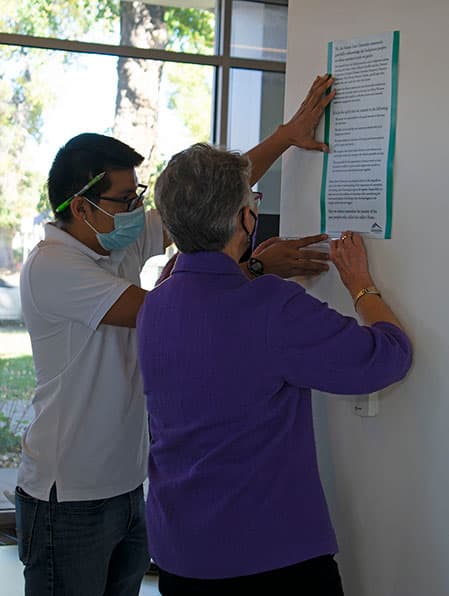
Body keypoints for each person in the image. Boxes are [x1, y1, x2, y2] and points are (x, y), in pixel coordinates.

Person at [15, 74, 336, 595]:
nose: (138, 209)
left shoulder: (111, 238)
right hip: (68, 494)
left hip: (125, 484)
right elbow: (167, 313)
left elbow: (204, 199)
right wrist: (255, 268)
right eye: (126, 198)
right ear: (81, 207)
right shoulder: (52, 266)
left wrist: (284, 136)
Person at [136, 143, 413, 595]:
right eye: (253, 201)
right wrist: (361, 286)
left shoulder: (156, 304)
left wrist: (256, 266)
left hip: (181, 557)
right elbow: (389, 356)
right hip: (272, 563)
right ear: (246, 219)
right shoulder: (270, 308)